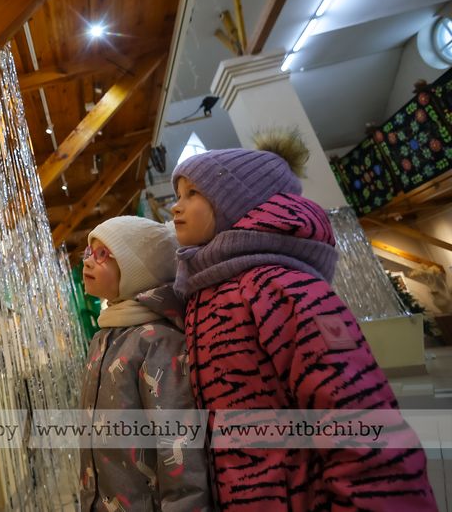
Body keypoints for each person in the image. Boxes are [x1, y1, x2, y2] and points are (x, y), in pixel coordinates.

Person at [170, 131, 437, 509]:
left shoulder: (280, 287)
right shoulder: (206, 290)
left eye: (192, 193)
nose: (175, 207)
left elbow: (357, 413)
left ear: (235, 201)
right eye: (178, 195)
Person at [79, 216, 210, 511]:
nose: (87, 262)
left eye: (102, 254)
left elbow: (178, 443)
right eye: (89, 252)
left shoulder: (157, 341)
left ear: (136, 270)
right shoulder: (104, 337)